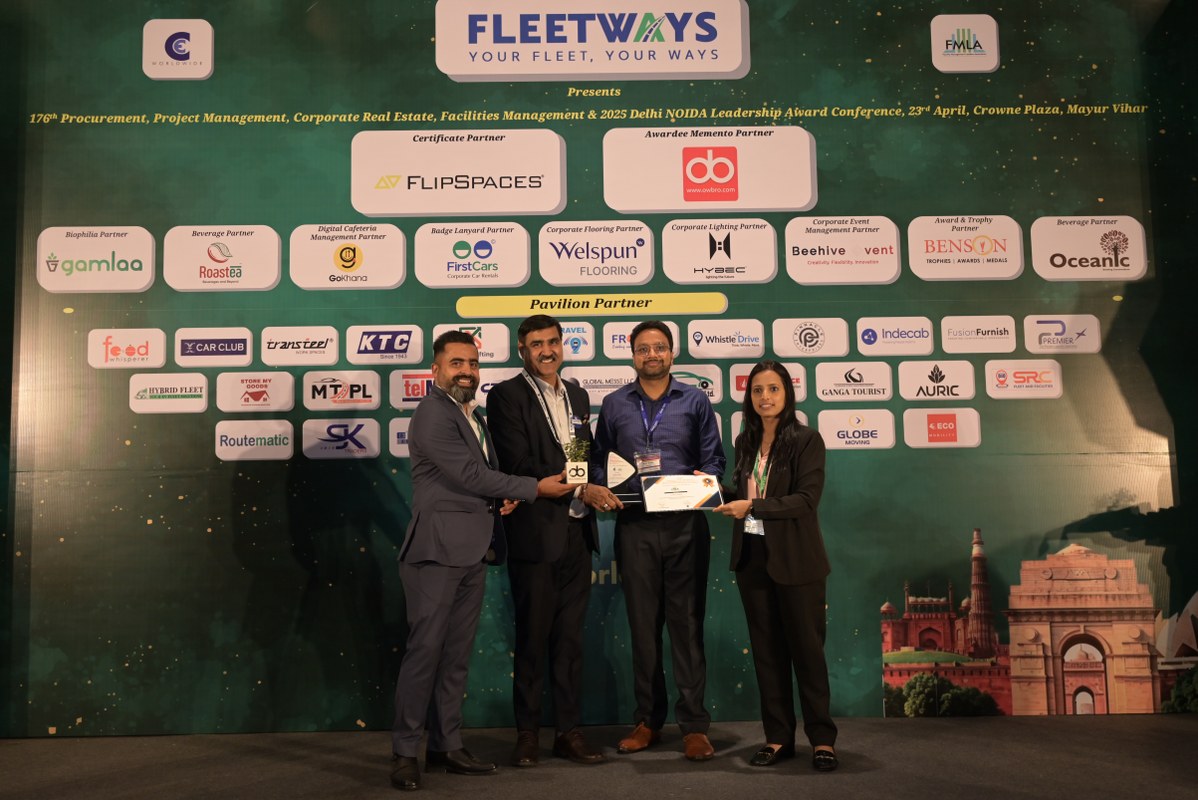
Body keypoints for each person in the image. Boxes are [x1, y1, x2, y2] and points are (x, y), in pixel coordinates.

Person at [390, 330, 577, 792]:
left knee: (455, 658)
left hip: (473, 551)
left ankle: (446, 745)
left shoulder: (471, 415)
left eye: (473, 364)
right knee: (424, 655)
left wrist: (500, 501)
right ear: (435, 370)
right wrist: (532, 489)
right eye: (457, 363)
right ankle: (405, 752)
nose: (467, 371)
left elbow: (479, 481)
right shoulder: (432, 412)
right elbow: (470, 474)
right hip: (435, 554)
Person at [589, 320, 726, 761]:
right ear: (633, 354)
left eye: (660, 347)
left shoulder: (695, 400)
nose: (652, 354)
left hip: (686, 526)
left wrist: (705, 481)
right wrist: (604, 487)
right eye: (644, 348)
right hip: (635, 527)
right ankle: (647, 721)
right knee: (644, 629)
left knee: (686, 627)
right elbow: (599, 461)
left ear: (672, 352)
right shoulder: (614, 404)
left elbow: (714, 460)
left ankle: (694, 726)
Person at [485, 314, 608, 767]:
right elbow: (518, 462)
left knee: (570, 642)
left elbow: (579, 453)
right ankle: (527, 734)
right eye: (536, 344)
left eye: (553, 341)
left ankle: (568, 733)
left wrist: (588, 483)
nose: (546, 350)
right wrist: (580, 488)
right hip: (536, 535)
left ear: (562, 345)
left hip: (577, 533)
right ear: (522, 350)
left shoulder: (577, 395)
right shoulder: (506, 396)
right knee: (533, 640)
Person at [713, 360, 838, 772]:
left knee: (807, 654)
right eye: (757, 390)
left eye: (773, 389)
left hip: (797, 562)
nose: (764, 397)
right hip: (753, 559)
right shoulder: (745, 441)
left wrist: (752, 507)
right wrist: (710, 489)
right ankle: (778, 737)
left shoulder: (806, 440)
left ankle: (822, 740)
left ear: (787, 393)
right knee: (767, 655)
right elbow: (746, 493)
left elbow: (805, 500)